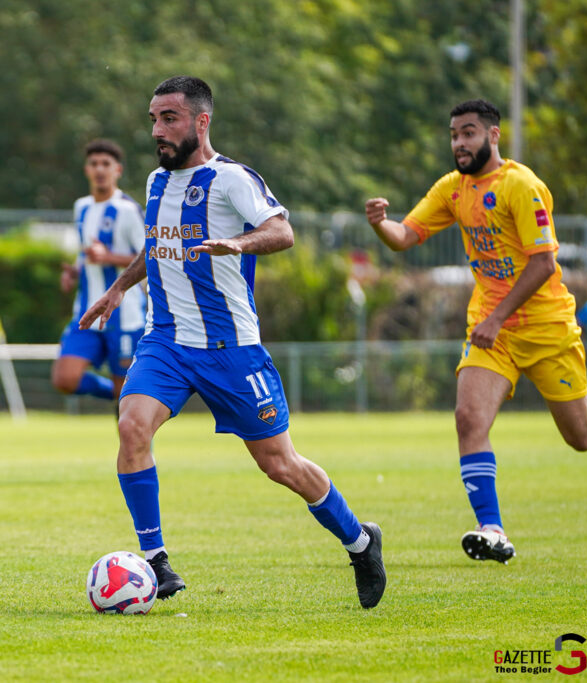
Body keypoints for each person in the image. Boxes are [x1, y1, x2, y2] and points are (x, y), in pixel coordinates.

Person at [80, 76, 386, 609]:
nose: (157, 129)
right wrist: (116, 289)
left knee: (280, 465)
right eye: (153, 119)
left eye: (169, 118)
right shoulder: (155, 183)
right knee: (132, 426)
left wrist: (236, 243)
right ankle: (156, 563)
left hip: (231, 349)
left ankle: (360, 542)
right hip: (168, 342)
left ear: (201, 121)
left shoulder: (231, 179)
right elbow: (156, 248)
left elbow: (282, 231)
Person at [364, 99, 587, 564]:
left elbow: (543, 264)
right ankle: (491, 528)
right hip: (490, 332)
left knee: (581, 436)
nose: (460, 143)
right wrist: (381, 225)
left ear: (494, 136)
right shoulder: (452, 189)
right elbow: (405, 238)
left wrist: (498, 317)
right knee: (468, 420)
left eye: (470, 133)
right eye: (455, 134)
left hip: (546, 327)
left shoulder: (521, 185)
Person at [51, 139, 146, 404]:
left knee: (127, 401)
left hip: (124, 316)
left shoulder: (128, 210)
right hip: (86, 312)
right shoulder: (81, 207)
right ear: (86, 170)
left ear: (118, 170)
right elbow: (86, 251)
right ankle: (117, 394)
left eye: (106, 164)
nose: (100, 169)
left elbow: (150, 255)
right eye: (94, 164)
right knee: (65, 379)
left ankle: (124, 401)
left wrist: (109, 257)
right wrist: (75, 270)